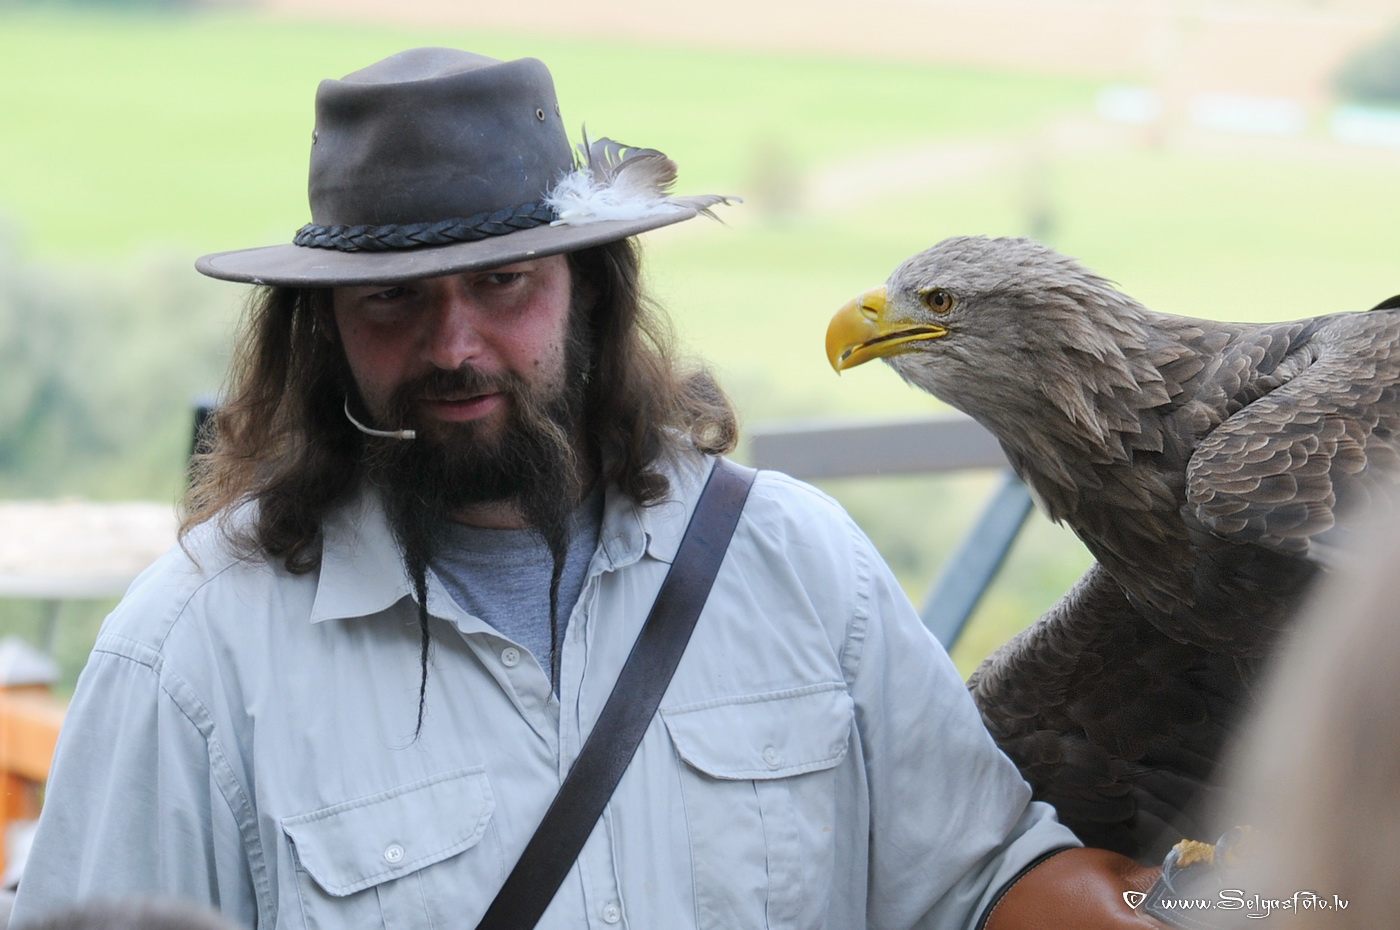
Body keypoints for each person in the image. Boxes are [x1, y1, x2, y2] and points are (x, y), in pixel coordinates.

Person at [10, 47, 1161, 929]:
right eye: (393, 303)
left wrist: (1271, 895)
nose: (454, 344)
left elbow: (980, 885)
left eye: (503, 283)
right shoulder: (191, 657)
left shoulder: (797, 567)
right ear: (324, 335)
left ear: (590, 293)